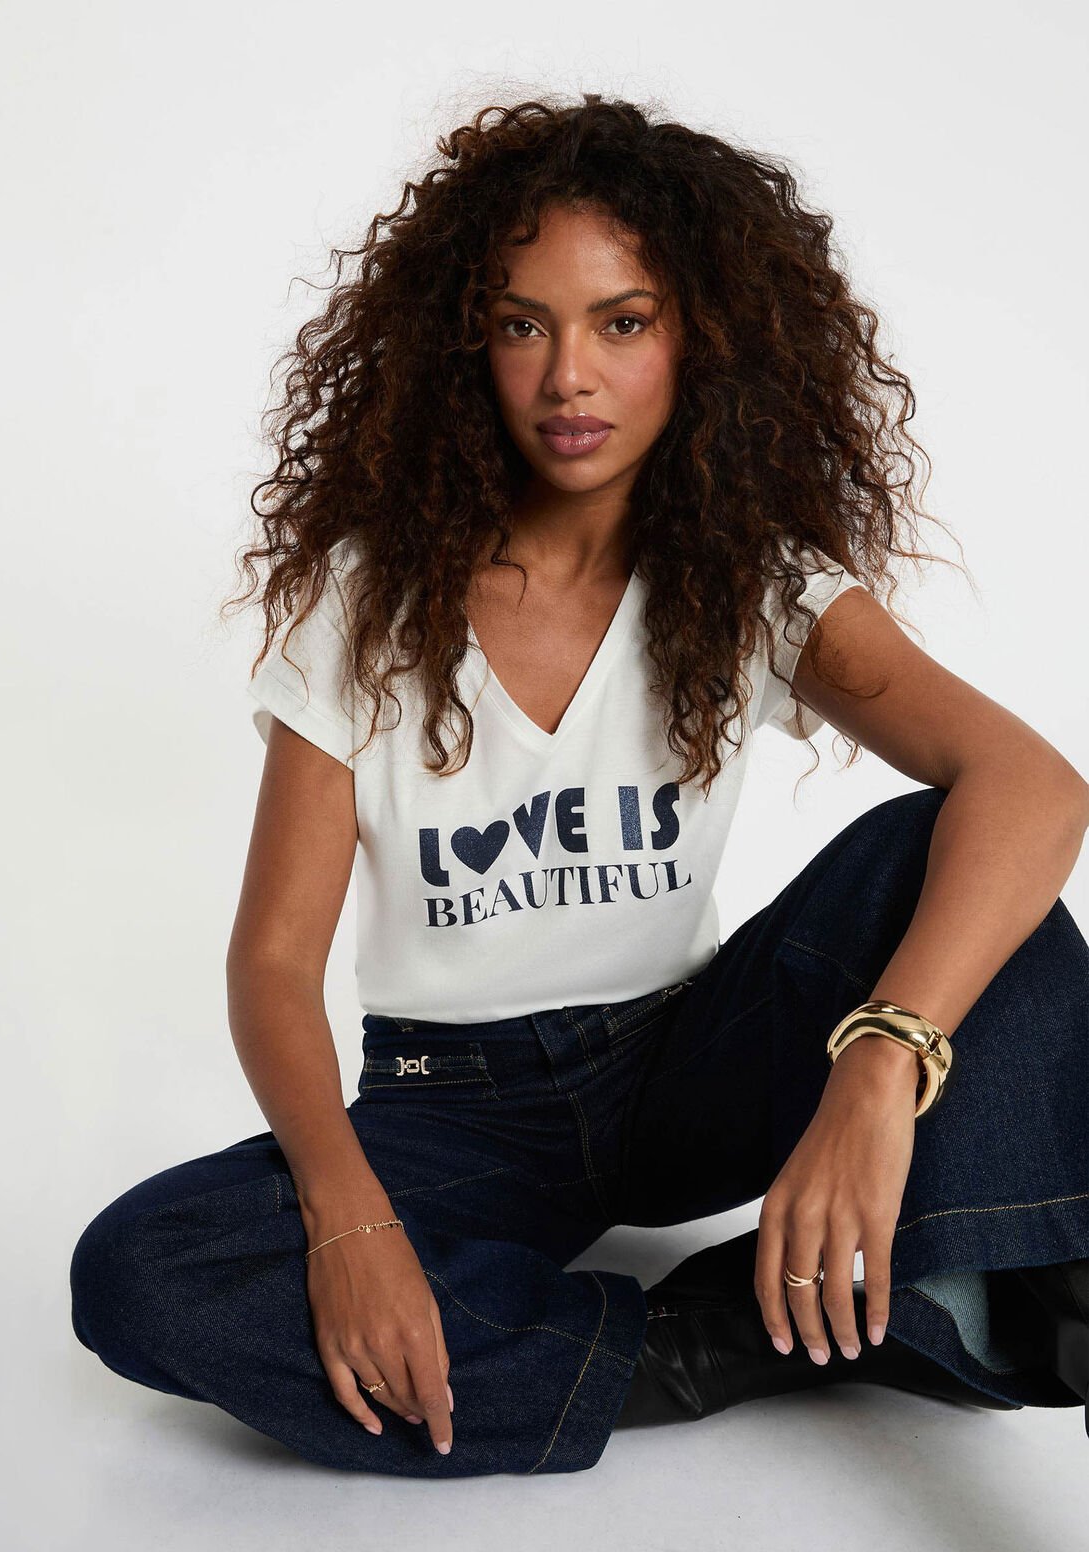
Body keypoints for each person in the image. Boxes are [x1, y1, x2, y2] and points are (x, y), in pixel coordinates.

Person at [69, 94, 1089, 1478]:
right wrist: (353, 1222)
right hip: (456, 1108)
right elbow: (272, 964)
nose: (568, 376)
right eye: (520, 324)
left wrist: (875, 1065)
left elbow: (1031, 784)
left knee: (952, 853)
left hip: (685, 1066)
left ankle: (1055, 1300)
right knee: (142, 1271)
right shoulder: (365, 605)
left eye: (622, 322)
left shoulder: (755, 584)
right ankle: (712, 1339)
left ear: (700, 340)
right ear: (462, 347)